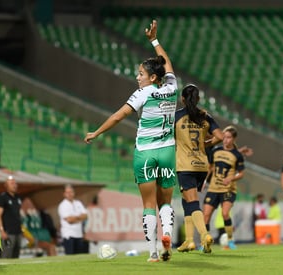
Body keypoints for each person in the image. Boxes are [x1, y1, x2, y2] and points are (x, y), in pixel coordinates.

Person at [84, 20, 177, 262]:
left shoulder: (142, 94)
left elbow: (118, 116)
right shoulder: (171, 86)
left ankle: (154, 252)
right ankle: (168, 233)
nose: (137, 77)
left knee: (148, 203)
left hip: (145, 152)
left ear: (152, 76)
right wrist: (155, 41)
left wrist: (96, 132)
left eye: (141, 74)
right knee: (165, 201)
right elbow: (167, 64)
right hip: (167, 150)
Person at [174, 84, 224, 253]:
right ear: (198, 100)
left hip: (185, 165)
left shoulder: (176, 116)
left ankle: (204, 236)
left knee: (193, 202)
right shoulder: (204, 116)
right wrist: (206, 144)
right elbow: (220, 136)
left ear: (182, 99)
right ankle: (189, 240)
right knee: (186, 200)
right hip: (202, 165)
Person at [203, 126, 245, 250]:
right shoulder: (215, 151)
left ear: (233, 139)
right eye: (224, 137)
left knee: (225, 213)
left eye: (228, 137)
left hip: (228, 189)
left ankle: (230, 240)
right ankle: (206, 242)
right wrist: (204, 181)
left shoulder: (237, 155)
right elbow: (210, 167)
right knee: (206, 215)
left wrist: (231, 179)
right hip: (213, 188)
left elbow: (241, 173)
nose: (225, 140)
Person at [0, 175, 23, 258]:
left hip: (18, 231)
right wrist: (2, 230)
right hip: (8, 232)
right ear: (6, 185)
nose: (14, 185)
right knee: (7, 255)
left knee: (16, 255)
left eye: (15, 183)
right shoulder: (3, 197)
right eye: (12, 183)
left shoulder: (18, 198)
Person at [58, 184, 88, 255]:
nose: (70, 194)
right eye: (67, 192)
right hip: (68, 234)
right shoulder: (63, 205)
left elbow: (85, 216)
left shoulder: (78, 203)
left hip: (79, 234)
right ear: (64, 194)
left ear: (74, 193)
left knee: (79, 256)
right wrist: (79, 217)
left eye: (71, 192)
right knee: (70, 256)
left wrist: (75, 218)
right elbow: (69, 220)